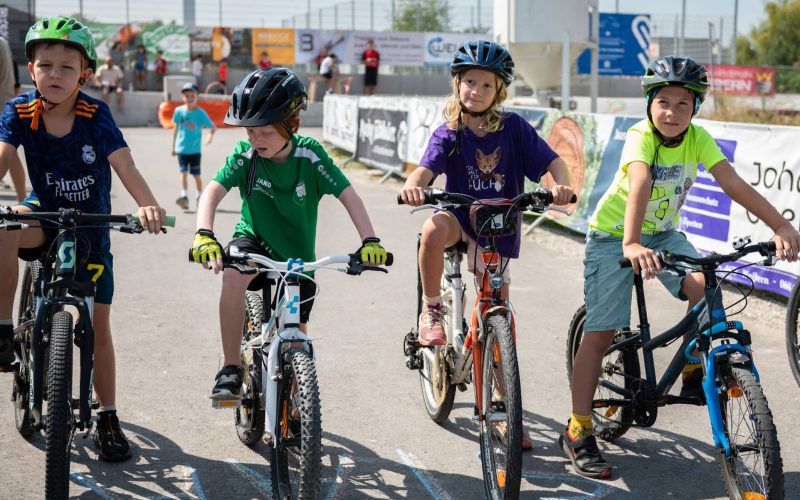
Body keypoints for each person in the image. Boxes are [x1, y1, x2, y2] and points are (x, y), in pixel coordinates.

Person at [561, 56, 800, 479]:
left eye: (683, 105)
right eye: (664, 102)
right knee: (600, 332)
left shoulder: (698, 138)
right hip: (613, 235)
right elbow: (640, 183)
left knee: (705, 290)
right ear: (650, 105)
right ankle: (579, 428)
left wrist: (780, 223)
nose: (672, 113)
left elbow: (733, 184)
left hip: (664, 234)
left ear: (696, 109)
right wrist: (630, 242)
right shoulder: (640, 137)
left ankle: (693, 365)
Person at [0, 17, 166, 461]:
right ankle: (2, 327)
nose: (55, 75)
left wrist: (148, 204)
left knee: (100, 331)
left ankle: (108, 414)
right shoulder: (18, 111)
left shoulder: (97, 114)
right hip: (44, 214)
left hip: (91, 229)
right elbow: (1, 158)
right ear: (30, 69)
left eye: (67, 68)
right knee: (6, 222)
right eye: (46, 65)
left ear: (86, 74)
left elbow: (125, 165)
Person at [398, 40, 575, 451]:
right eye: (469, 82)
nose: (476, 90)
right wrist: (413, 188)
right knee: (431, 231)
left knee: (500, 317)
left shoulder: (513, 129)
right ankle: (432, 308)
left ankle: (500, 404)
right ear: (457, 85)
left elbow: (552, 162)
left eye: (486, 85)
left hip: (499, 225)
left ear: (500, 92)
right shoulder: (451, 133)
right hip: (462, 218)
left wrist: (560, 185)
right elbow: (425, 170)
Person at [189, 67, 389, 401]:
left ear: (290, 124)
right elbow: (211, 191)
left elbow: (349, 196)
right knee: (234, 277)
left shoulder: (309, 155)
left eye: (265, 131)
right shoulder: (246, 155)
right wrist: (204, 234)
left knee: (297, 334)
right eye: (250, 131)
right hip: (253, 241)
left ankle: (298, 396)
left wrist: (370, 241)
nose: (255, 139)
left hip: (297, 258)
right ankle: (231, 367)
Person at [172, 82, 215, 209]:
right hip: (181, 149)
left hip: (195, 151)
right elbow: (175, 128)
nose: (189, 98)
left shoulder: (200, 113)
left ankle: (200, 195)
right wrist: (173, 146)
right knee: (183, 172)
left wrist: (210, 135)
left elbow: (213, 126)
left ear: (197, 96)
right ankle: (184, 196)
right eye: (187, 96)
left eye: (192, 96)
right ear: (182, 97)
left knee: (196, 175)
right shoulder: (178, 111)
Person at [0, 35, 24, 202]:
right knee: (10, 152)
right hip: (5, 98)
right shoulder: (3, 41)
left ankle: (22, 200)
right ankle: (22, 199)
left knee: (8, 152)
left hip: (1, 100)